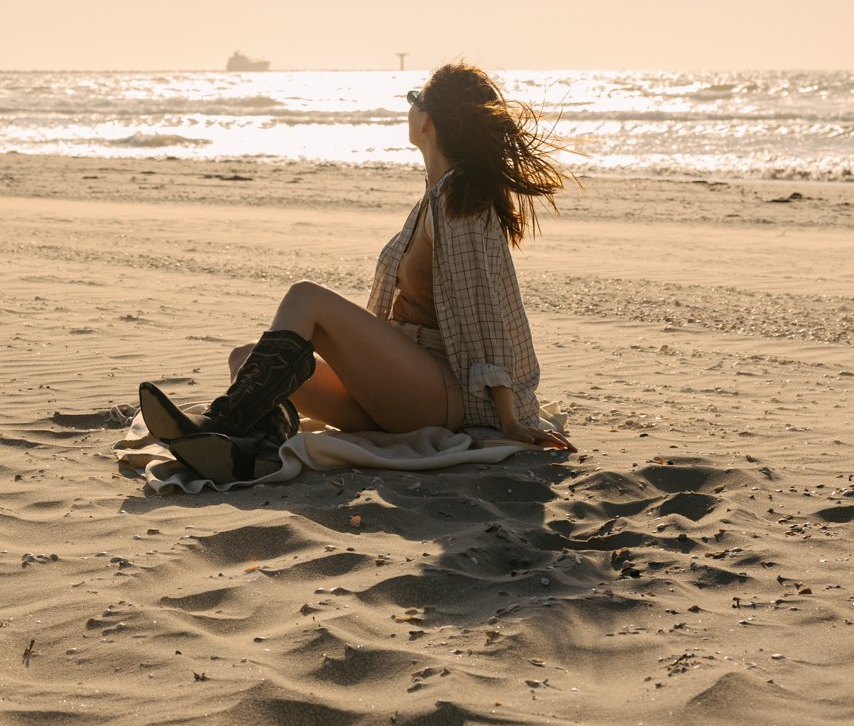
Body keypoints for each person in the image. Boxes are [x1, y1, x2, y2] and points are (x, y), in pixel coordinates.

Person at [139, 61, 573, 481]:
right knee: (245, 358)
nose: (410, 107)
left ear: (428, 120)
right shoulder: (434, 197)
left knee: (305, 297)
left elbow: (486, 317)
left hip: (440, 394)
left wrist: (509, 420)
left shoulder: (459, 200)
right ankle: (250, 449)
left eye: (414, 97)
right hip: (399, 388)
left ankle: (225, 425)